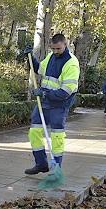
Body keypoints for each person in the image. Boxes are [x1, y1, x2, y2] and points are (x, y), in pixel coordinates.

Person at [23, 34, 80, 175]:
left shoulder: (71, 63)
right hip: (44, 102)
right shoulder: (51, 57)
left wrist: (45, 94)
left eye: (58, 49)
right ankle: (41, 164)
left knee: (57, 136)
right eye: (53, 48)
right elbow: (39, 70)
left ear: (65, 45)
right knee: (34, 132)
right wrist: (30, 57)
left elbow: (66, 92)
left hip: (59, 105)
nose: (55, 51)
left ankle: (56, 168)